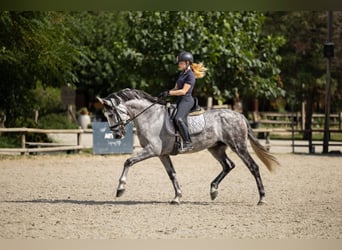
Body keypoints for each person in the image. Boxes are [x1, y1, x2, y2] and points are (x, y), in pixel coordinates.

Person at [159, 51, 207, 152]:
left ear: (188, 63)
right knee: (168, 115)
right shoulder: (182, 74)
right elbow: (176, 88)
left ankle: (187, 142)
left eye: (181, 63)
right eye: (179, 63)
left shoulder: (190, 76)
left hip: (187, 100)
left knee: (178, 118)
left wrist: (169, 93)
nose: (179, 65)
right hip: (179, 99)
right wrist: (166, 94)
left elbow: (183, 91)